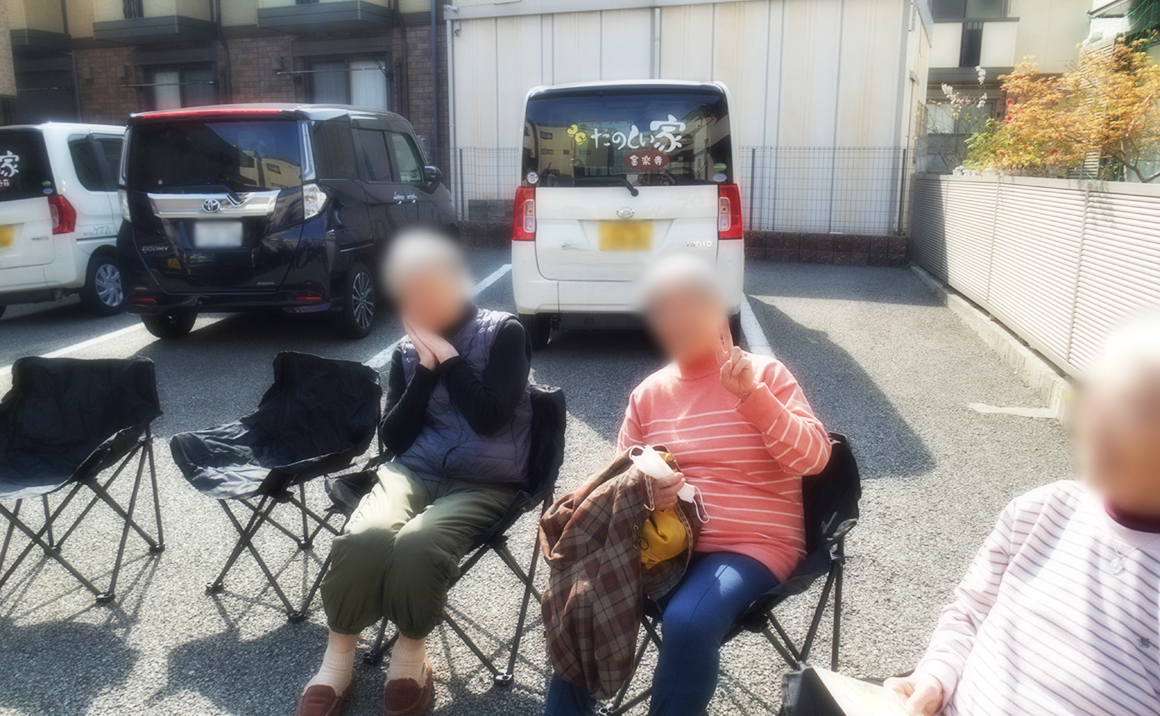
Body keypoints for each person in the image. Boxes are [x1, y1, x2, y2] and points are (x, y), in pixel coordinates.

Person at [545, 255, 832, 716]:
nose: (677, 318)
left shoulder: (764, 375)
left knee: (688, 621)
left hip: (749, 545)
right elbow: (620, 484)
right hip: (662, 546)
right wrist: (645, 495)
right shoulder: (648, 394)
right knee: (578, 598)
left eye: (689, 304)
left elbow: (814, 459)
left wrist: (752, 397)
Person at [296, 229, 533, 716]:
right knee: (364, 536)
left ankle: (410, 655)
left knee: (418, 544)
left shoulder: (504, 332)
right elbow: (395, 439)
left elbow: (489, 419)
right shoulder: (408, 349)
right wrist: (423, 370)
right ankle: (338, 659)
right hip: (415, 469)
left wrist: (448, 358)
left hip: (486, 479)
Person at [885, 315, 1160, 716]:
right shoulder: (1040, 511)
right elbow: (969, 613)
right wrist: (935, 678)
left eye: (1134, 408)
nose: (1098, 422)